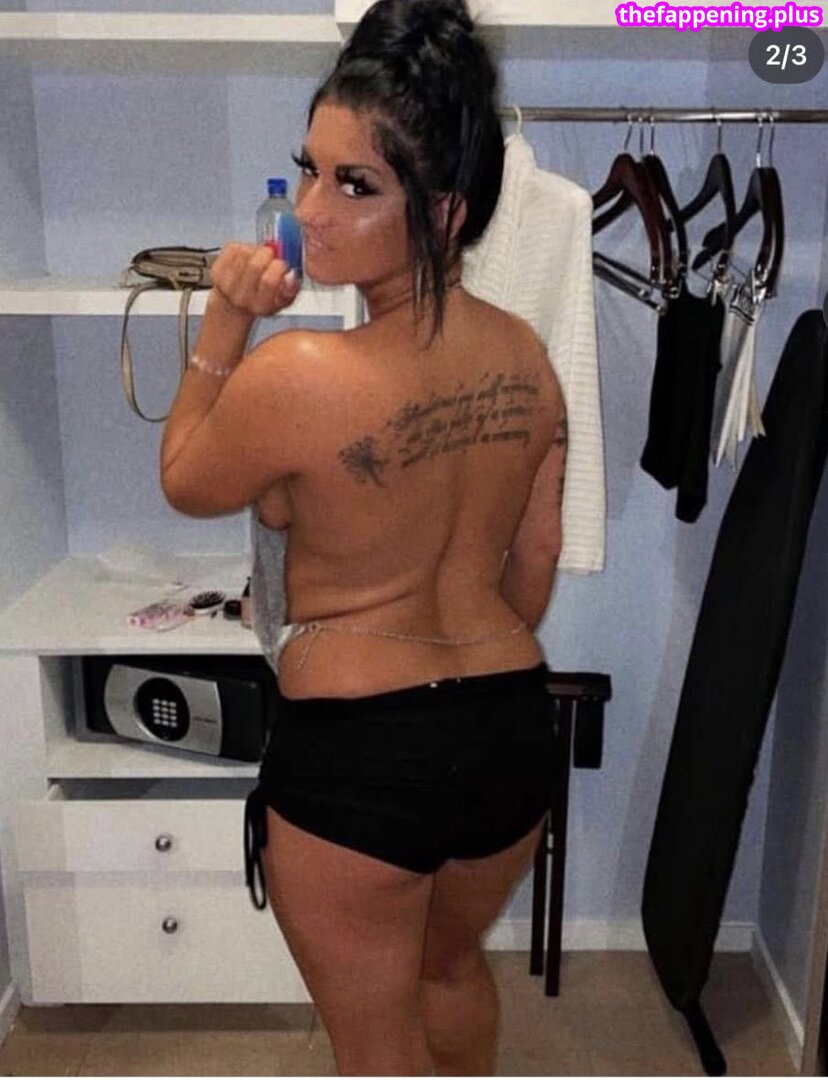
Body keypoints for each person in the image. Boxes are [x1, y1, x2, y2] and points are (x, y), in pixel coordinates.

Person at [160, 0, 567, 1074]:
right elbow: (531, 569)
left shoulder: (300, 373)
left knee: (377, 1048)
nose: (308, 213)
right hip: (509, 733)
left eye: (355, 185)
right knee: (450, 971)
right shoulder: (527, 360)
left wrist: (226, 318)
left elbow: (186, 481)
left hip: (361, 756)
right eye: (310, 170)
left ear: (444, 212)